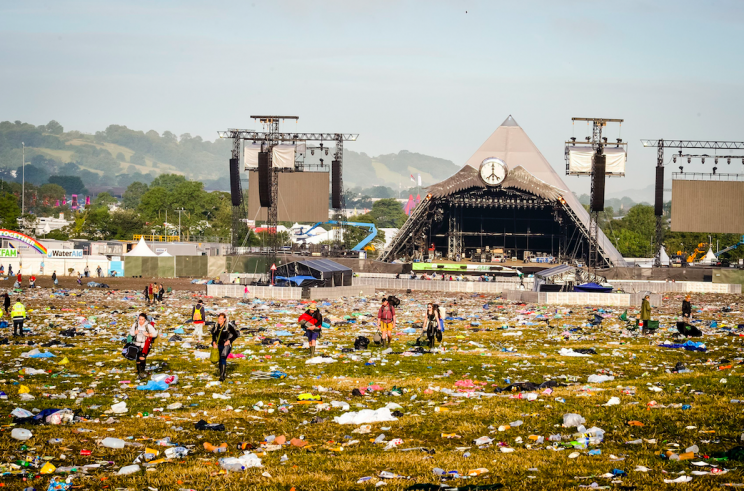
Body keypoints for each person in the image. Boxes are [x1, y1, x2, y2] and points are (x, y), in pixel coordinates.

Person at [211, 313, 239, 381]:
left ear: (224, 319)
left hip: (226, 345)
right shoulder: (216, 326)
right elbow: (213, 334)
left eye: (221, 319)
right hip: (219, 344)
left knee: (223, 357)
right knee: (219, 359)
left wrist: (229, 340)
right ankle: (221, 372)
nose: (219, 320)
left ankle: (222, 376)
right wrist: (214, 342)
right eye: (218, 318)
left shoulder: (228, 326)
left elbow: (235, 334)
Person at [129, 313, 158, 379]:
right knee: (138, 359)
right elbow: (131, 333)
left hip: (146, 345)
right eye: (140, 319)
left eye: (142, 319)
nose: (141, 321)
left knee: (142, 357)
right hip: (136, 344)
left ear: (145, 319)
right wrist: (135, 333)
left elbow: (155, 334)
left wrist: (147, 334)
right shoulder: (135, 325)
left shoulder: (148, 326)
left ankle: (142, 373)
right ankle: (139, 372)